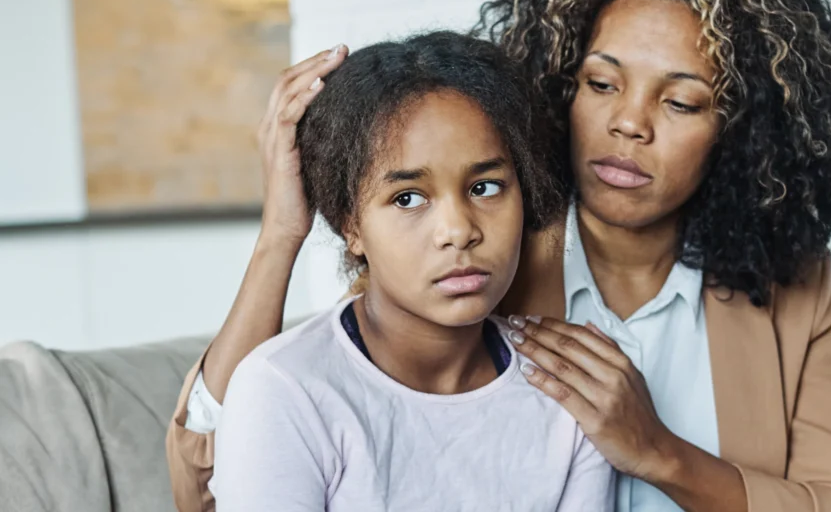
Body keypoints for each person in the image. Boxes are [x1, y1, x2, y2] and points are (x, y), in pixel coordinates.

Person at [167, 0, 831, 511]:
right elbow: (209, 479)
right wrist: (283, 236)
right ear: (560, 87)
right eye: (601, 84)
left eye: (679, 101)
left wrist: (660, 453)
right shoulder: (481, 257)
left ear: (744, 129)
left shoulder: (793, 289)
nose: (630, 125)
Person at [208, 31, 614, 511]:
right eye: (407, 198)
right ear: (351, 227)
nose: (458, 231)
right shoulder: (284, 388)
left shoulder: (567, 392)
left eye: (485, 187)